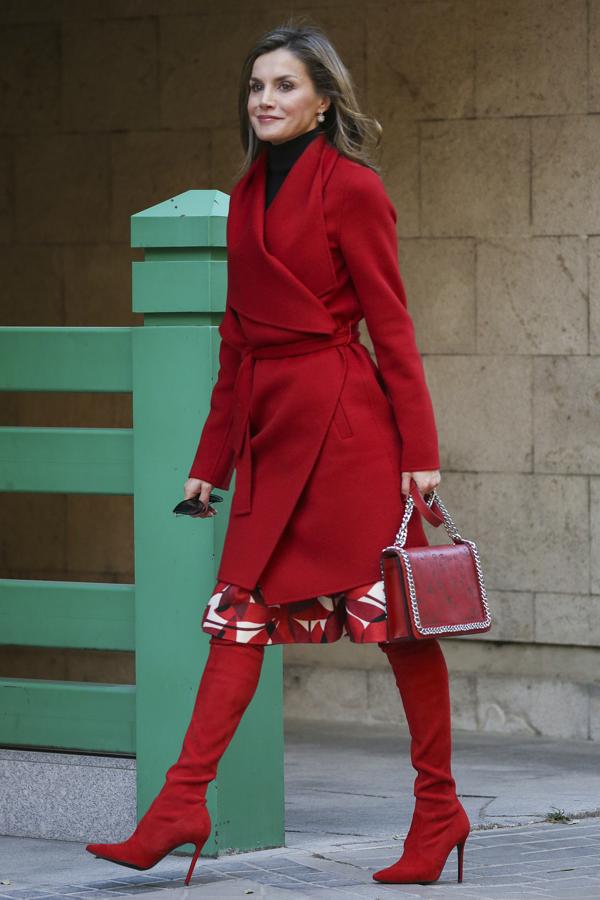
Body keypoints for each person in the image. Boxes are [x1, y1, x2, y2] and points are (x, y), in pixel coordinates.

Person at [85, 20, 470, 888]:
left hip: (346, 431)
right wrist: (209, 459)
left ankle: (439, 811)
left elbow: (393, 325)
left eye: (284, 86)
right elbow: (237, 339)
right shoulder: (247, 191)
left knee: (397, 626)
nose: (265, 99)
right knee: (238, 616)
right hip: (269, 437)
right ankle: (182, 802)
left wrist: (421, 448)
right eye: (256, 87)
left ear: (323, 100)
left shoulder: (355, 189)